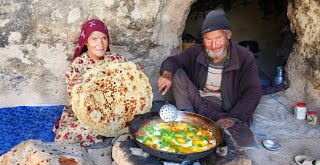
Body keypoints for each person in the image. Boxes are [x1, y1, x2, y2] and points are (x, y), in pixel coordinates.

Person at [158, 9, 262, 147]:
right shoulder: (197, 50)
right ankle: (187, 115)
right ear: (203, 39)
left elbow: (253, 92)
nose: (213, 45)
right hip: (198, 102)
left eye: (218, 38)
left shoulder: (245, 57)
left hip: (224, 111)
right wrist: (167, 74)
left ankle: (195, 122)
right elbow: (173, 61)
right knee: (175, 72)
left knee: (244, 138)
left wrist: (232, 118)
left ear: (228, 35)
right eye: (208, 39)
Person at [53, 19, 142, 146]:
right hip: (90, 112)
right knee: (71, 134)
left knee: (137, 121)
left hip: (116, 109)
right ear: (86, 42)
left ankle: (111, 131)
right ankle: (110, 132)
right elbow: (75, 102)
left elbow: (128, 89)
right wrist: (73, 86)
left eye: (104, 38)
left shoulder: (116, 59)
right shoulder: (78, 65)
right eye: (94, 39)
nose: (100, 43)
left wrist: (136, 74)